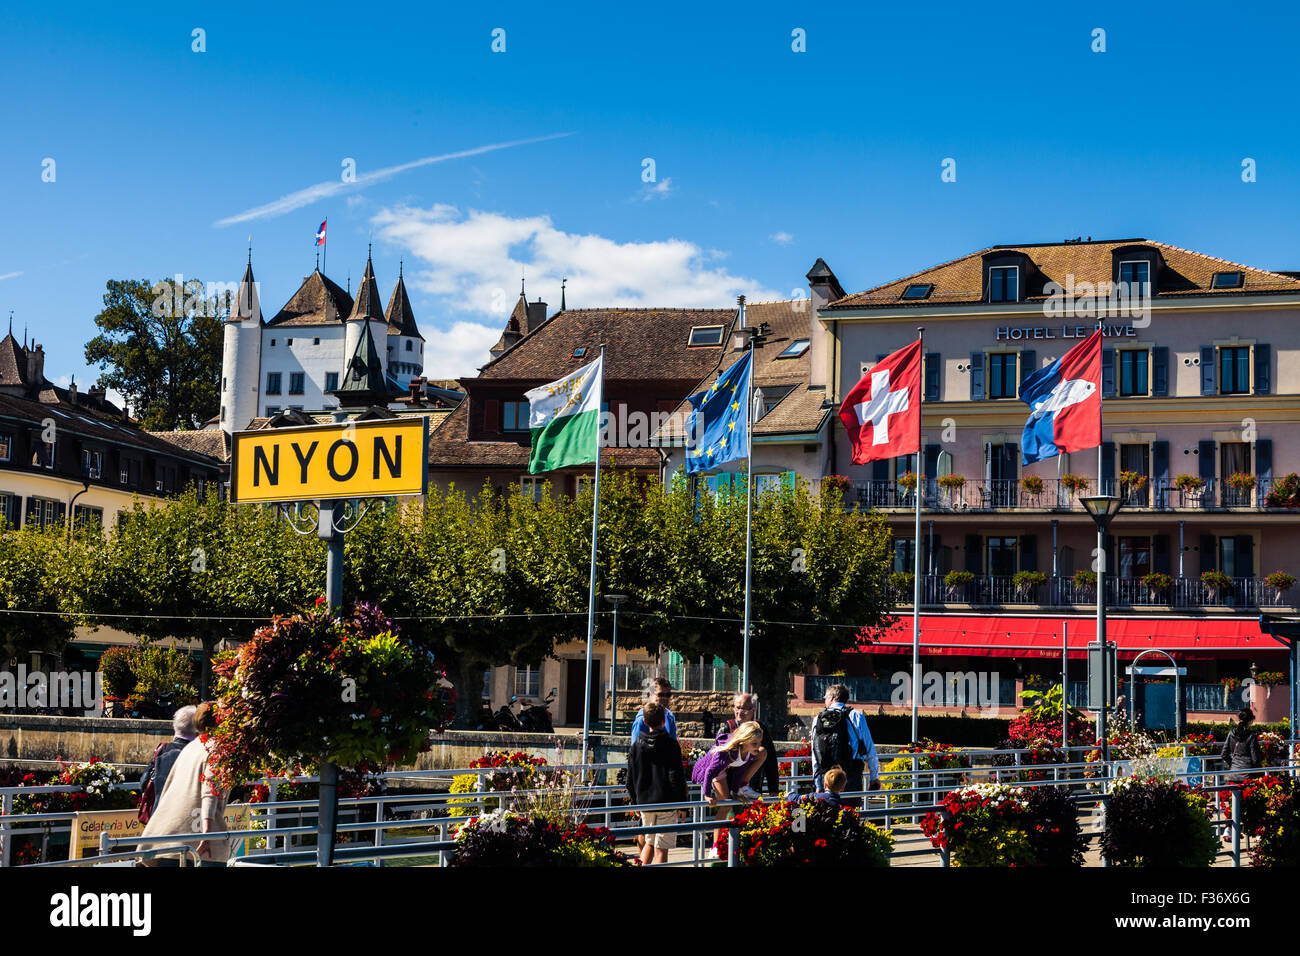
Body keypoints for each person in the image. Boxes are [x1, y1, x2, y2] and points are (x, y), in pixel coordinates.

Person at [138, 702, 230, 866]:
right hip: (198, 844)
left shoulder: (191, 747)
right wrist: (206, 835)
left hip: (167, 839)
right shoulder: (216, 750)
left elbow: (169, 787)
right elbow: (209, 793)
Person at [691, 720, 767, 856]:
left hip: (726, 769)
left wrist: (736, 792)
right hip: (713, 769)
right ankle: (715, 846)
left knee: (730, 800)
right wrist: (706, 794)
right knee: (725, 805)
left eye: (759, 742)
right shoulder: (727, 751)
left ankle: (720, 844)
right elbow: (710, 772)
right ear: (743, 741)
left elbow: (738, 774)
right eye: (754, 743)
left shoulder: (748, 753)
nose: (758, 746)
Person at [625, 701, 687, 865]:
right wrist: (682, 805)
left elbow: (630, 778)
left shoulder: (636, 746)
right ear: (664, 721)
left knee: (650, 843)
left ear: (644, 722)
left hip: (645, 803)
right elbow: (676, 777)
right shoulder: (671, 745)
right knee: (661, 849)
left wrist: (635, 803)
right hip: (666, 803)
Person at [810, 684, 880, 794]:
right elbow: (869, 748)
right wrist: (874, 777)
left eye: (825, 697)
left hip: (827, 777)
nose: (824, 700)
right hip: (851, 775)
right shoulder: (856, 716)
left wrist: (818, 784)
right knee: (850, 809)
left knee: (830, 809)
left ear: (832, 697)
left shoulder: (818, 719)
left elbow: (815, 752)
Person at [138, 705, 198, 822]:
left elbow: (143, 783)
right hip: (185, 821)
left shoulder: (162, 750)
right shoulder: (196, 753)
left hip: (157, 817)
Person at [713, 693, 779, 796]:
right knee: (727, 811)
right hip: (729, 786)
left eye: (744, 709)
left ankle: (743, 785)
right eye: (737, 708)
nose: (739, 712)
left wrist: (773, 789)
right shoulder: (726, 729)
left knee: (762, 751)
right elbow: (715, 761)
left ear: (754, 709)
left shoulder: (760, 729)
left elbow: (771, 760)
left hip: (753, 787)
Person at [1221, 707, 1263, 783]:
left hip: (1233, 774)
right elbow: (1255, 759)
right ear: (1250, 721)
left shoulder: (1231, 733)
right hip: (1248, 776)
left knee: (1234, 795)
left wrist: (1234, 764)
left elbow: (1224, 754)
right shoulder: (1251, 735)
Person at [629, 677, 677, 743]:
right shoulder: (641, 720)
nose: (665, 698)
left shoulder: (670, 717)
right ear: (649, 694)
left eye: (668, 695)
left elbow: (674, 746)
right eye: (660, 694)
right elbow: (636, 750)